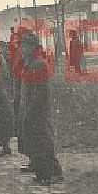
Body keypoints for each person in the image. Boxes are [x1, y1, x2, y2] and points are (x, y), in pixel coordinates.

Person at [19, 31, 63, 185]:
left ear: (33, 48)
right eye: (23, 46)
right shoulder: (30, 64)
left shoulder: (39, 64)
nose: (23, 50)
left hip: (39, 111)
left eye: (26, 47)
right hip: (31, 109)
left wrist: (31, 111)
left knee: (44, 141)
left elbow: (41, 92)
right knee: (35, 141)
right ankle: (42, 172)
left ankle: (53, 173)